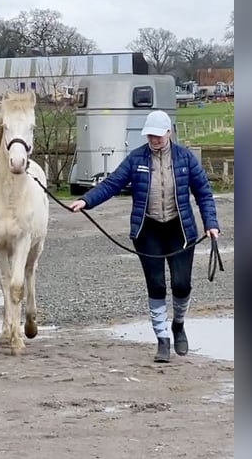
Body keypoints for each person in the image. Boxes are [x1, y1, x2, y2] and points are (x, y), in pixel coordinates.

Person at [69, 110, 219, 362]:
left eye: (159, 135)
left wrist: (211, 224)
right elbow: (112, 184)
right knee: (156, 284)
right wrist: (86, 201)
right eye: (150, 135)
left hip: (179, 229)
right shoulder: (136, 158)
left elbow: (203, 193)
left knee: (181, 284)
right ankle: (162, 339)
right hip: (148, 230)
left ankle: (178, 325)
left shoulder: (185, 158)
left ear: (169, 133)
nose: (155, 140)